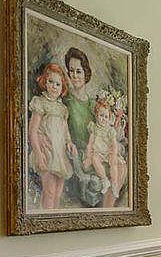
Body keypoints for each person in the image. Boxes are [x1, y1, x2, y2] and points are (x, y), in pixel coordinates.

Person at [28, 63, 77, 210]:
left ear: (62, 87)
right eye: (51, 82)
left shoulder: (63, 109)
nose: (54, 87)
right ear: (45, 82)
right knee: (49, 191)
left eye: (58, 84)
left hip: (60, 154)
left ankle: (54, 218)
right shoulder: (40, 103)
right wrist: (39, 154)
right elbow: (32, 131)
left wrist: (69, 143)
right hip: (46, 151)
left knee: (58, 193)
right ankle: (45, 216)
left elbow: (65, 131)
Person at [84, 98, 127, 208]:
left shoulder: (110, 130)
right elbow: (90, 143)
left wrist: (113, 154)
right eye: (101, 115)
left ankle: (114, 184)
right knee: (94, 159)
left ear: (109, 118)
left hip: (109, 152)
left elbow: (114, 145)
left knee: (114, 164)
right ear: (96, 115)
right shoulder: (94, 128)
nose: (103, 119)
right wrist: (88, 156)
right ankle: (104, 180)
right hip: (98, 152)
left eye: (106, 117)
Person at [64, 47, 95, 151]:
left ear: (86, 73)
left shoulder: (94, 104)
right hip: (71, 153)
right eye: (71, 71)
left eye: (78, 71)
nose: (74, 75)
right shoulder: (65, 100)